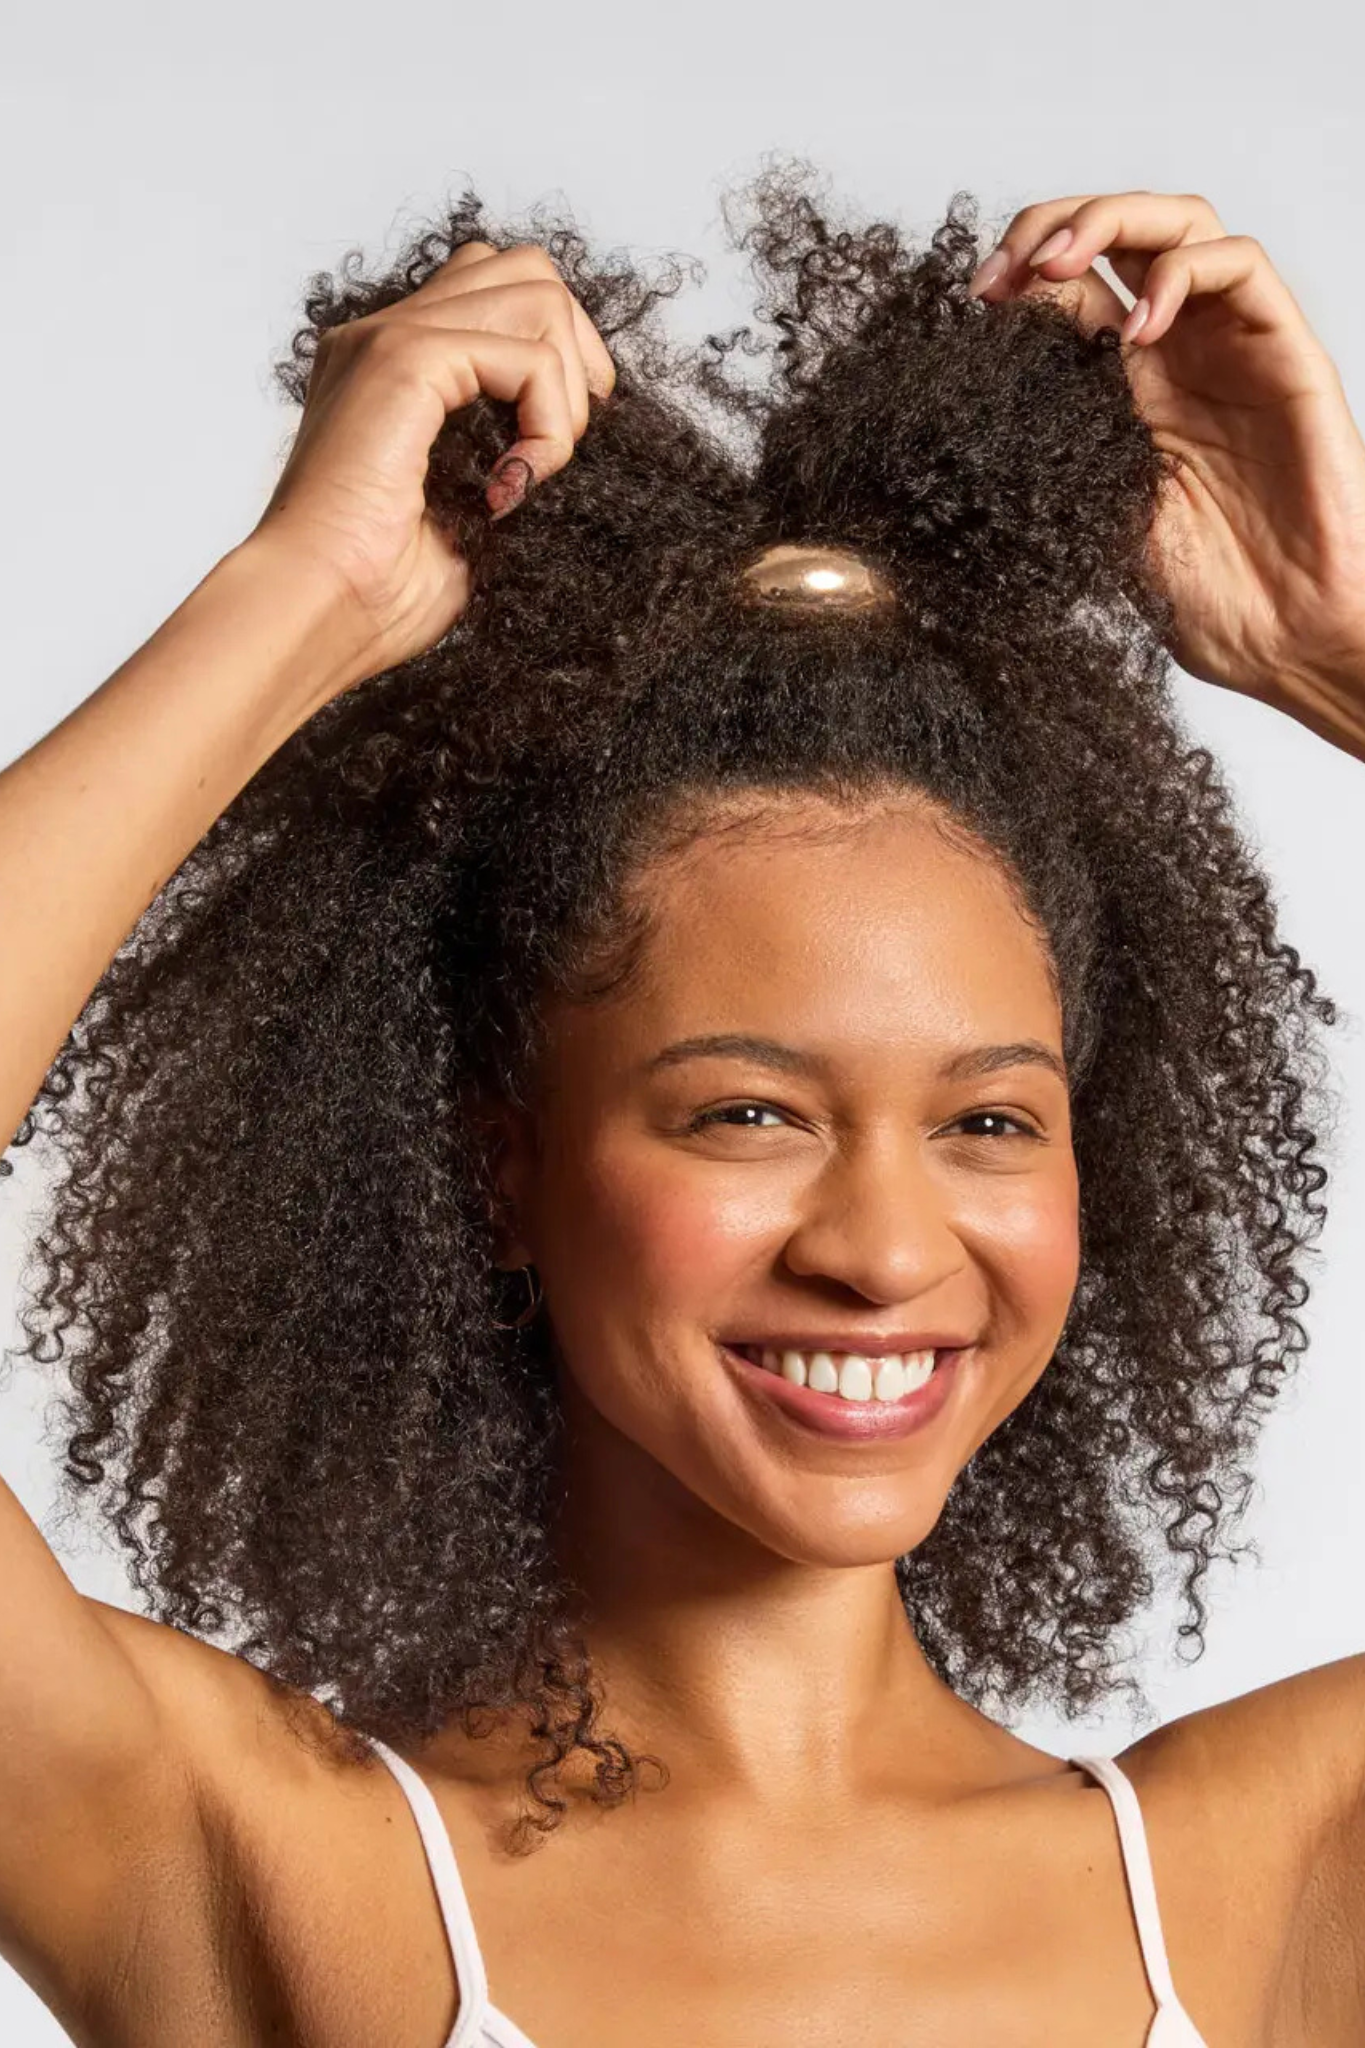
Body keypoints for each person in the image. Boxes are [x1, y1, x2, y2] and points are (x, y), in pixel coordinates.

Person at [1, 162, 1364, 2047]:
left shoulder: (1276, 1882)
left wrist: (1335, 653)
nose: (889, 1251)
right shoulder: (255, 1866)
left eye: (988, 1122)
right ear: (502, 1166)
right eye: (747, 1115)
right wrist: (301, 601)